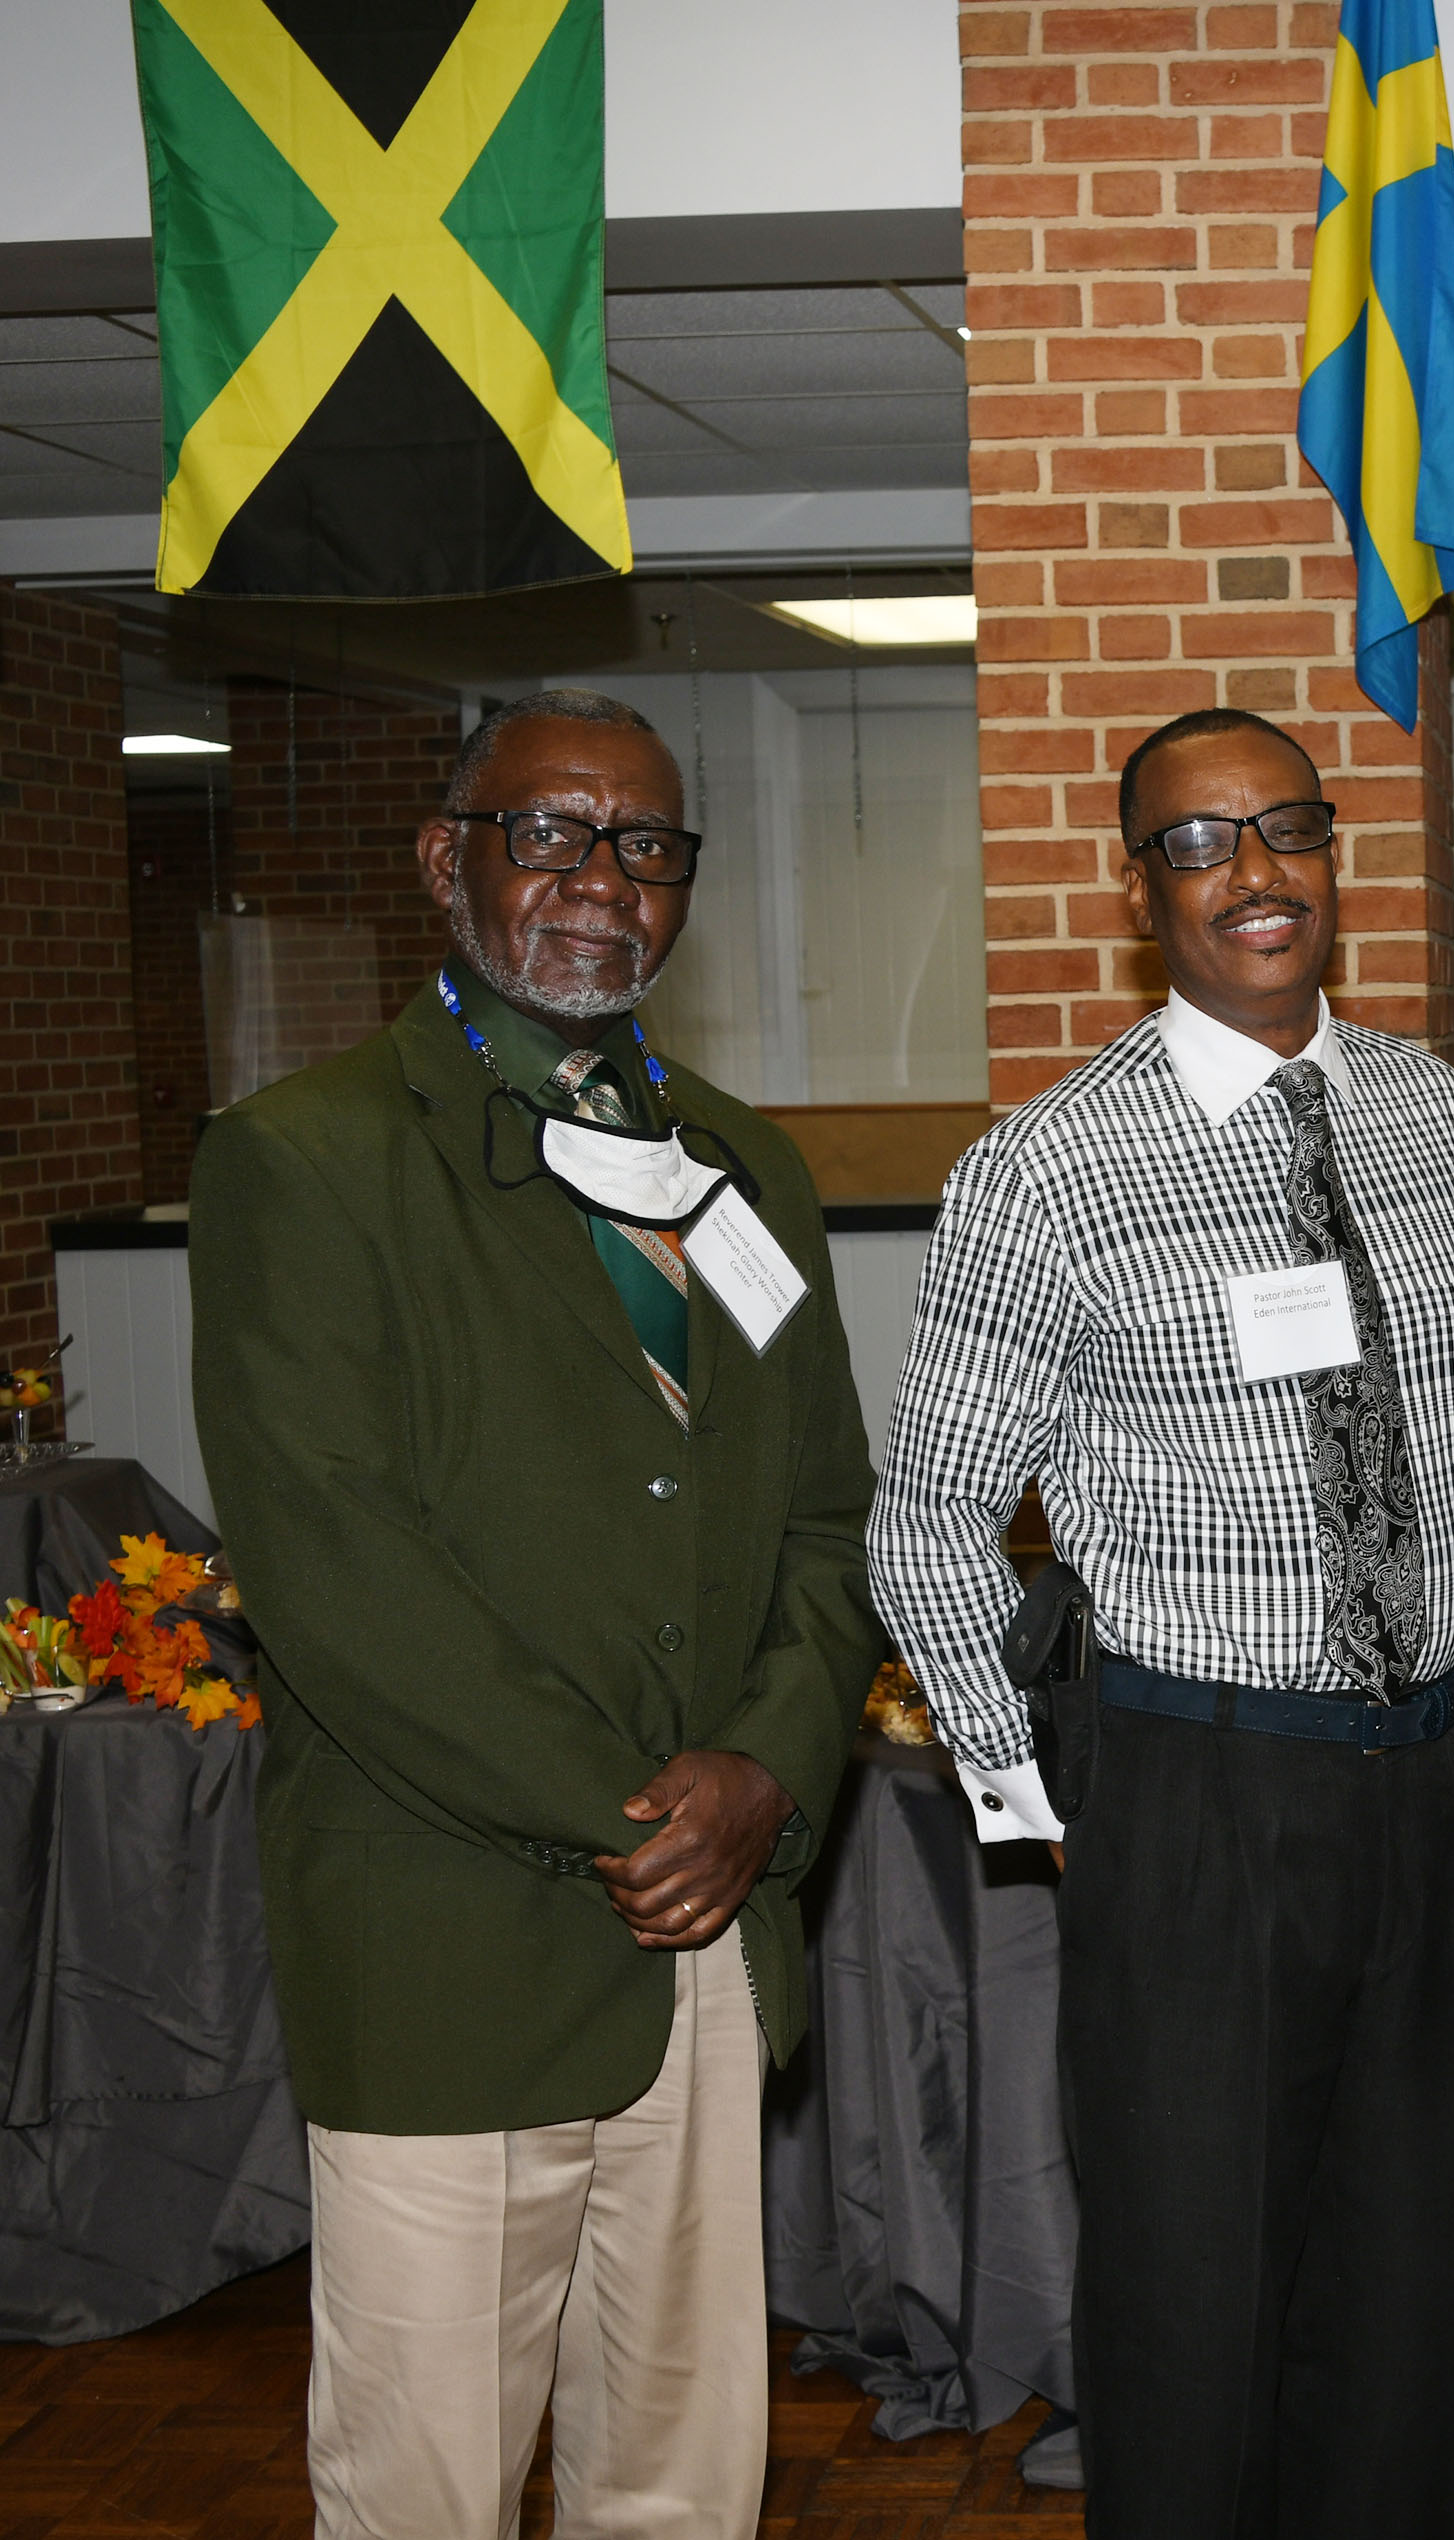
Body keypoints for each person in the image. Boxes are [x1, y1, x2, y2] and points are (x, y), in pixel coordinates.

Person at [866, 706, 1454, 2538]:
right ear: (1142, 890)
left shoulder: (1437, 1120)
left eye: (1287, 830)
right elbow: (932, 1517)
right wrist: (1035, 1801)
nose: (1256, 874)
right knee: (1192, 2306)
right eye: (1201, 844)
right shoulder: (1051, 1165)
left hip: (1434, 1774)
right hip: (1195, 1795)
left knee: (1414, 2294)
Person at [189, 689, 879, 2539]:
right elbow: (338, 1571)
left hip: (707, 1946)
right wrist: (637, 1814)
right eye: (551, 833)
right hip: (447, 1948)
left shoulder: (751, 1169)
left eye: (647, 846)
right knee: (424, 2490)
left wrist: (764, 1776)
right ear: (449, 858)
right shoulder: (309, 1160)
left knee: (680, 2480)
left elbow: (828, 1519)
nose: (603, 883)